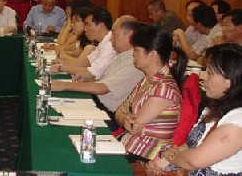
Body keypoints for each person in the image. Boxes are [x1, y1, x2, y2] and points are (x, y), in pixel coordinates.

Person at [149, 44, 242, 175]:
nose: (203, 77)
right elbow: (191, 145)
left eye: (210, 73)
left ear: (229, 81)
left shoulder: (238, 121)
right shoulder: (216, 107)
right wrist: (164, 163)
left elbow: (196, 160)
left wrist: (170, 157)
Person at [115, 25, 186, 162]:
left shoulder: (164, 88)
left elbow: (133, 126)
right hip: (131, 146)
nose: (133, 54)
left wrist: (124, 118)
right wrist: (124, 118)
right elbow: (119, 111)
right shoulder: (148, 79)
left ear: (152, 54)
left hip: (147, 155)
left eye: (136, 50)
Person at [52, 17, 145, 114]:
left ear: (130, 35)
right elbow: (106, 81)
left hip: (107, 112)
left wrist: (64, 85)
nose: (111, 39)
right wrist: (89, 81)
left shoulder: (135, 62)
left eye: (114, 34)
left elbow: (103, 89)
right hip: (98, 102)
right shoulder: (122, 55)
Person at [51, 7, 116, 80]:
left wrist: (61, 67)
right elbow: (85, 64)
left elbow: (92, 73)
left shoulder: (110, 45)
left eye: (88, 24)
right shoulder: (102, 43)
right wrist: (62, 62)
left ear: (101, 25)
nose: (85, 29)